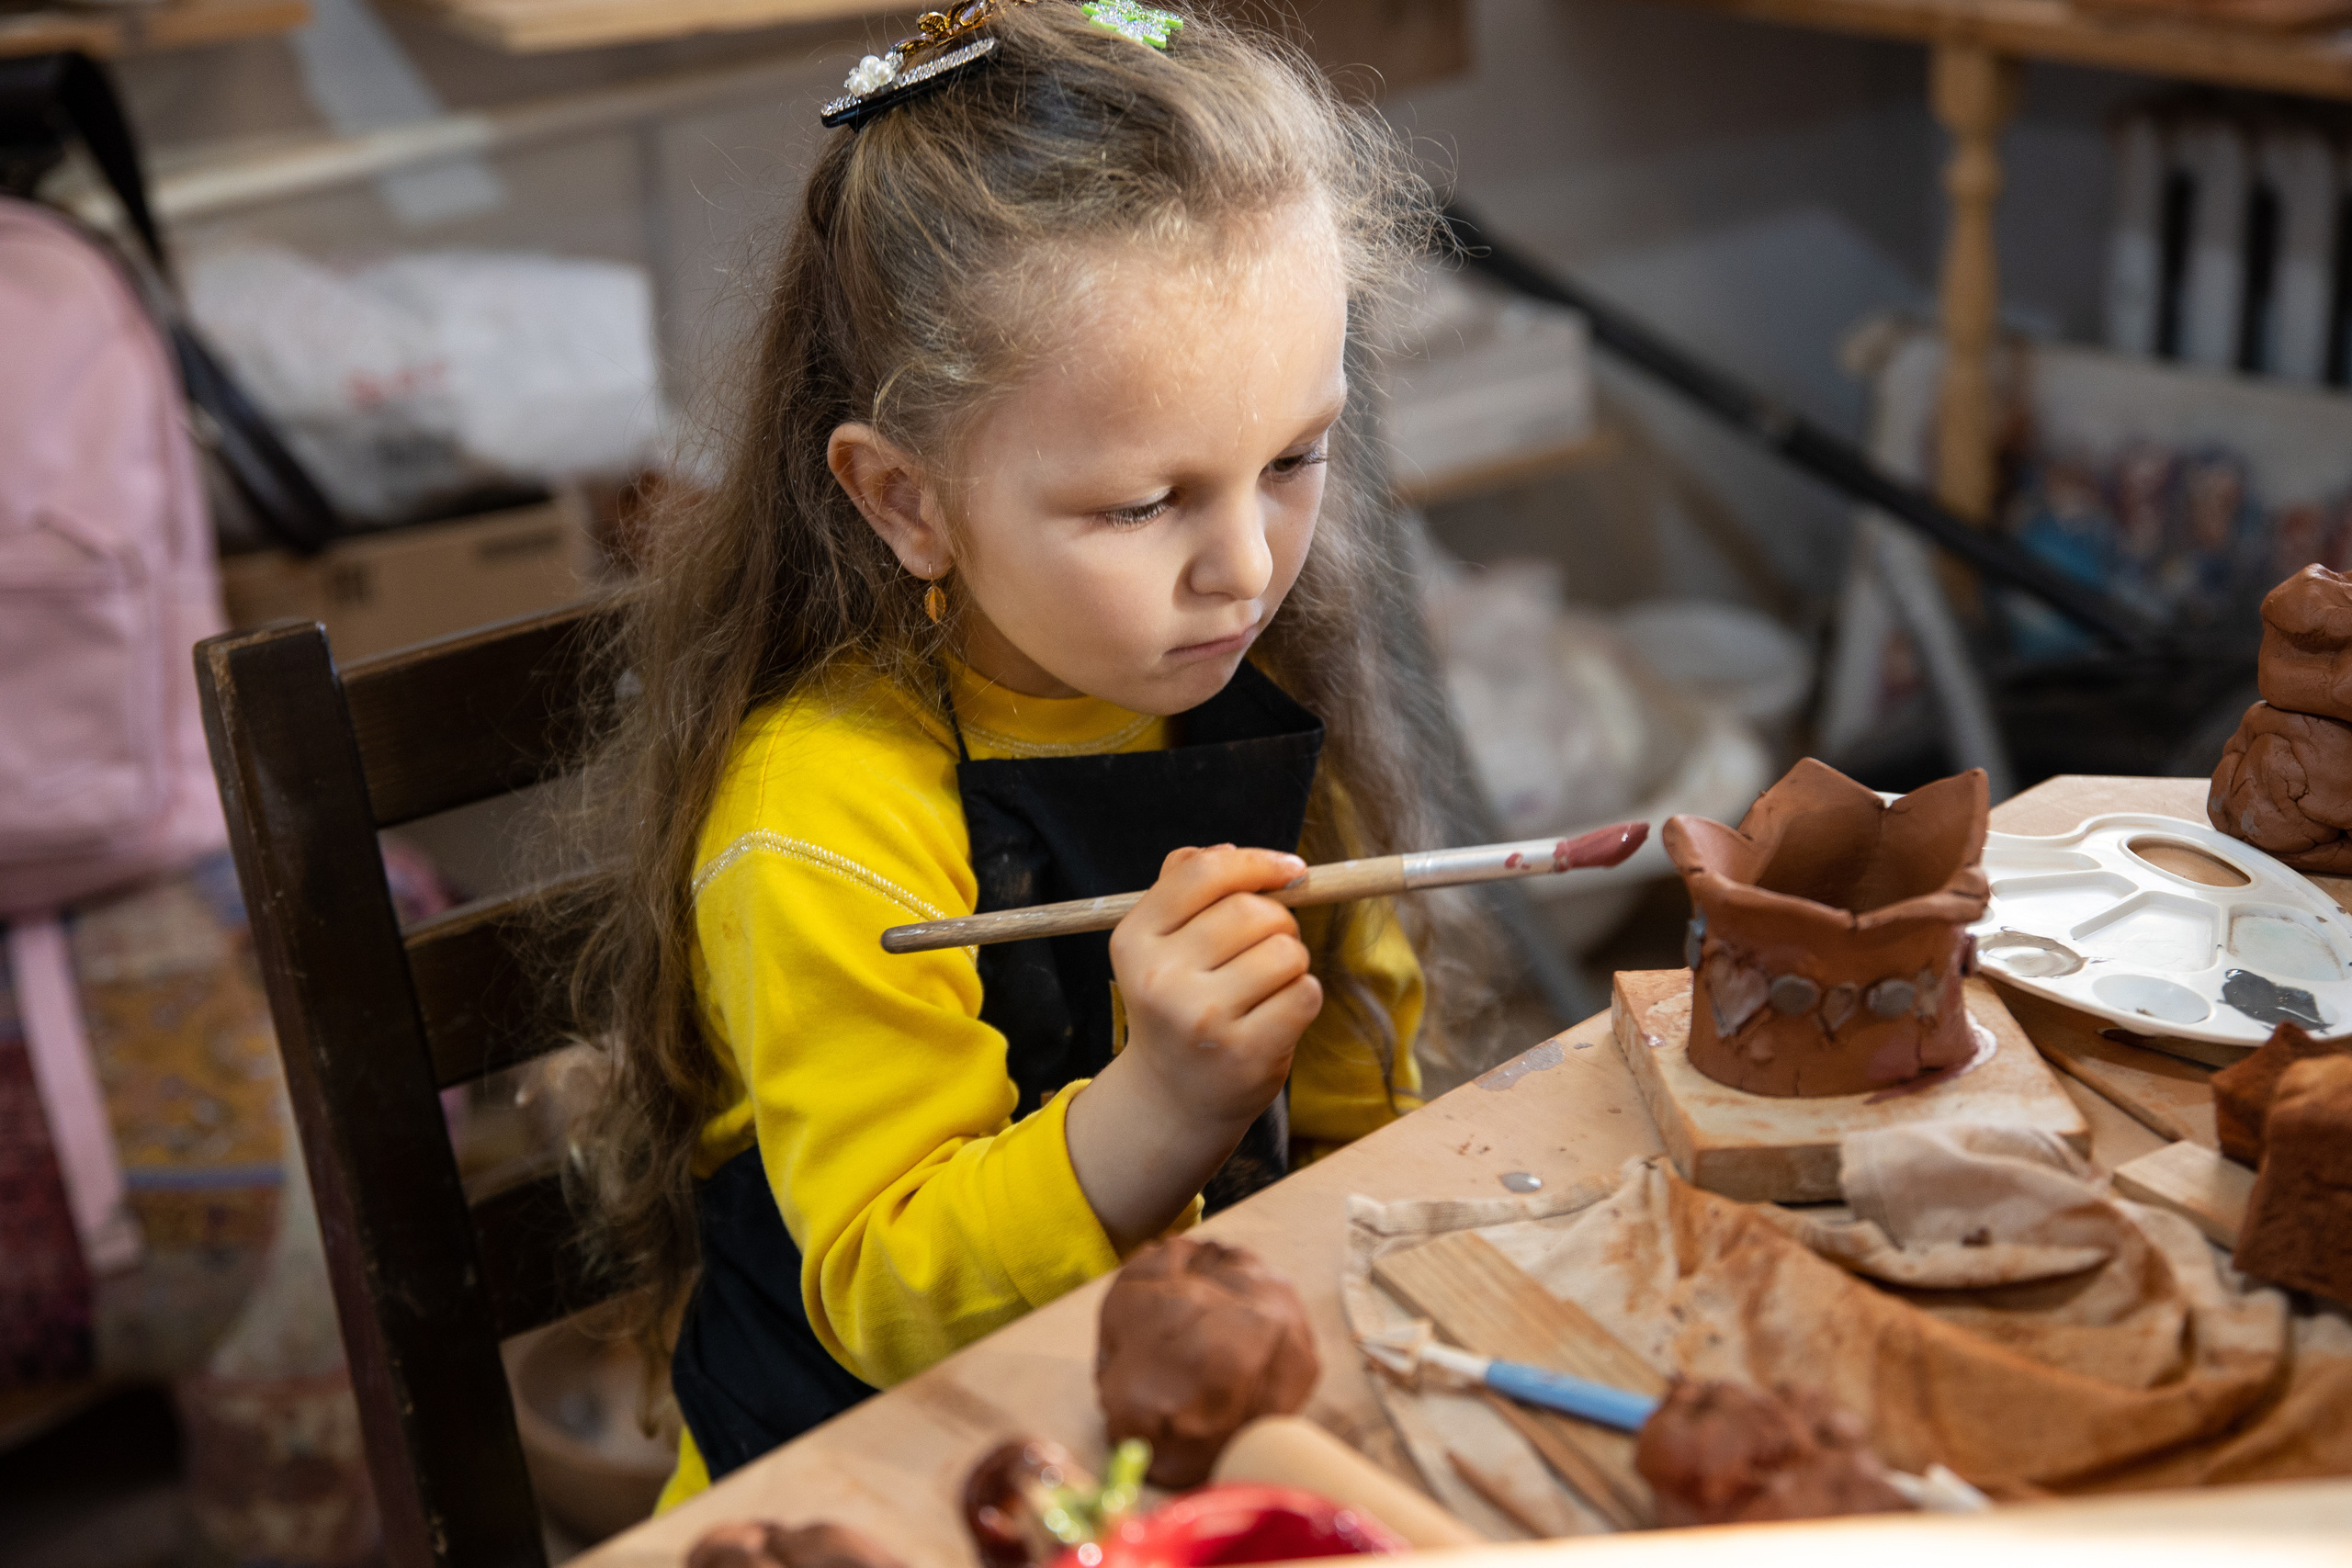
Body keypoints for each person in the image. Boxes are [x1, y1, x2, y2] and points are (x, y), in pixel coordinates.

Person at [556, 0, 1488, 1506]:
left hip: (1177, 1441)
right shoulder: (818, 817)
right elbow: (884, 1298)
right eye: (1145, 504)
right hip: (874, 1485)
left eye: (1294, 459)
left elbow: (1349, 1115)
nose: (1248, 566)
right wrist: (1162, 1108)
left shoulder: (1246, 675)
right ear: (906, 500)